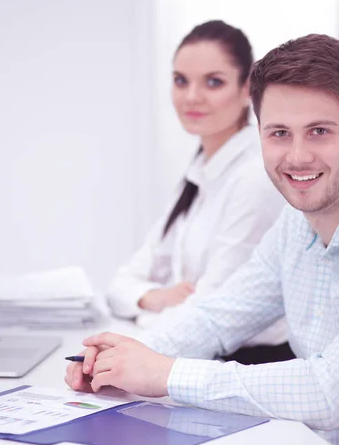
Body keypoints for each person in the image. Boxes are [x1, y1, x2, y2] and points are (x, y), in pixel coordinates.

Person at [66, 34, 339, 445]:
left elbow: (332, 393)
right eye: (279, 133)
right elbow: (219, 316)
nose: (298, 156)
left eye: (319, 131)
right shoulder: (296, 223)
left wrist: (164, 372)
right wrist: (117, 360)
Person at [107, 20, 290, 363]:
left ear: (246, 89)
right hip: (191, 353)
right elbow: (120, 285)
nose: (192, 97)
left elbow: (210, 308)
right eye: (181, 81)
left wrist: (139, 325)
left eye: (213, 82)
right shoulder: (199, 172)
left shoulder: (255, 177)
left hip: (246, 364)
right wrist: (153, 298)